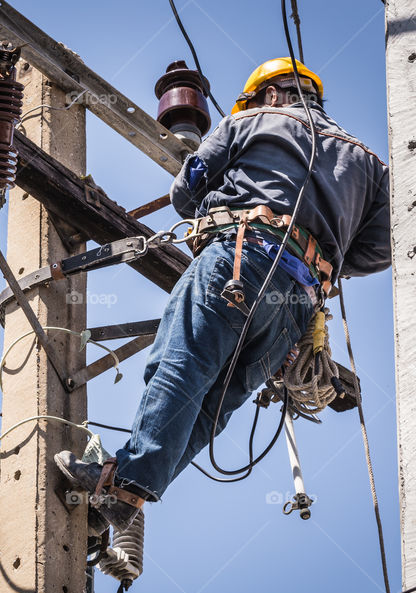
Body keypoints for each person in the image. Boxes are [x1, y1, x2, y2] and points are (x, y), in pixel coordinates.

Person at [56, 58, 391, 532]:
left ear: (271, 94)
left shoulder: (249, 120)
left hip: (241, 258)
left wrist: (220, 216)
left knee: (181, 365)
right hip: (298, 304)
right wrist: (322, 256)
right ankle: (128, 492)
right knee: (215, 403)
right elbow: (381, 248)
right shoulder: (372, 166)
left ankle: (125, 485)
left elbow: (186, 191)